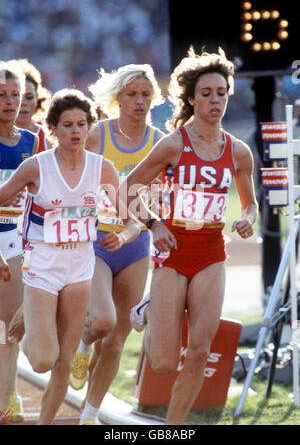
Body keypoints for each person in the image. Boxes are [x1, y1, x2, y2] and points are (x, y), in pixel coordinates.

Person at [123, 47, 259, 425]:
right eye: (207, 93)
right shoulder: (173, 145)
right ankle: (149, 310)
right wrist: (154, 224)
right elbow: (127, 189)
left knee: (198, 351)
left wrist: (248, 218)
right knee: (165, 362)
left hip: (212, 252)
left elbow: (250, 205)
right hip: (172, 251)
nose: (215, 101)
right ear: (191, 98)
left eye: (221, 93)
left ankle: (174, 428)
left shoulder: (239, 152)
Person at [1, 88, 140, 425]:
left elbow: (134, 218)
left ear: (89, 127)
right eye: (67, 125)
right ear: (54, 129)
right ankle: (28, 316)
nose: (76, 131)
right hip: (41, 268)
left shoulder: (102, 168)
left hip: (79, 269)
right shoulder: (36, 167)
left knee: (65, 360)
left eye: (81, 124)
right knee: (43, 361)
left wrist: (121, 237)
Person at [69, 64, 164, 425]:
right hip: (95, 241)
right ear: (117, 98)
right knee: (103, 321)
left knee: (118, 339)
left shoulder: (159, 142)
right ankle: (81, 345)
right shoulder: (97, 136)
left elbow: (160, 196)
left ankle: (89, 415)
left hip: (135, 243)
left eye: (145, 94)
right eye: (131, 94)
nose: (139, 101)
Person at [0, 61, 38, 423]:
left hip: (13, 240)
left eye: (16, 95)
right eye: (1, 95)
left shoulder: (31, 142)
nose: (10, 102)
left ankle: (5, 406)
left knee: (9, 328)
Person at [12, 58, 52, 152]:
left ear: (38, 99)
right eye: (16, 95)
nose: (23, 103)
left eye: (29, 97)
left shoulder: (50, 136)